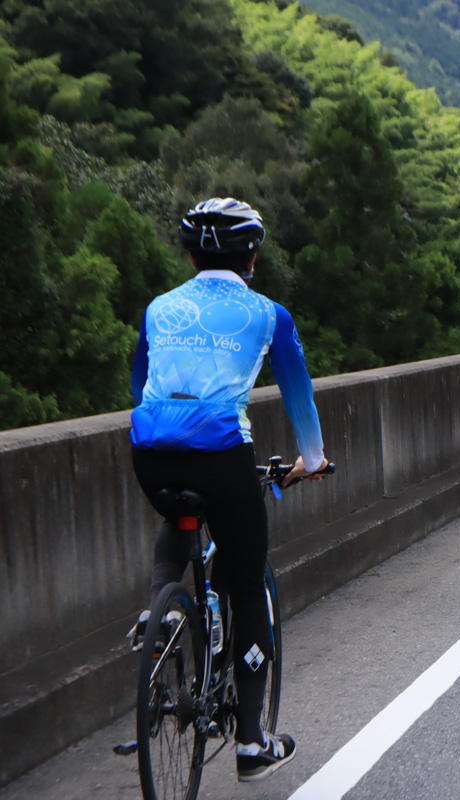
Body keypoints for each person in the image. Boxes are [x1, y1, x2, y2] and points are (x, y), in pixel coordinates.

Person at [129, 198, 328, 782]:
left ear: (190, 253)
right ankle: (249, 743)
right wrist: (312, 459)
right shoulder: (268, 314)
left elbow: (141, 385)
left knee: (176, 516)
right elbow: (298, 395)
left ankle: (160, 615)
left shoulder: (158, 308)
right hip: (222, 451)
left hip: (151, 448)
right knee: (245, 584)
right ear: (253, 257)